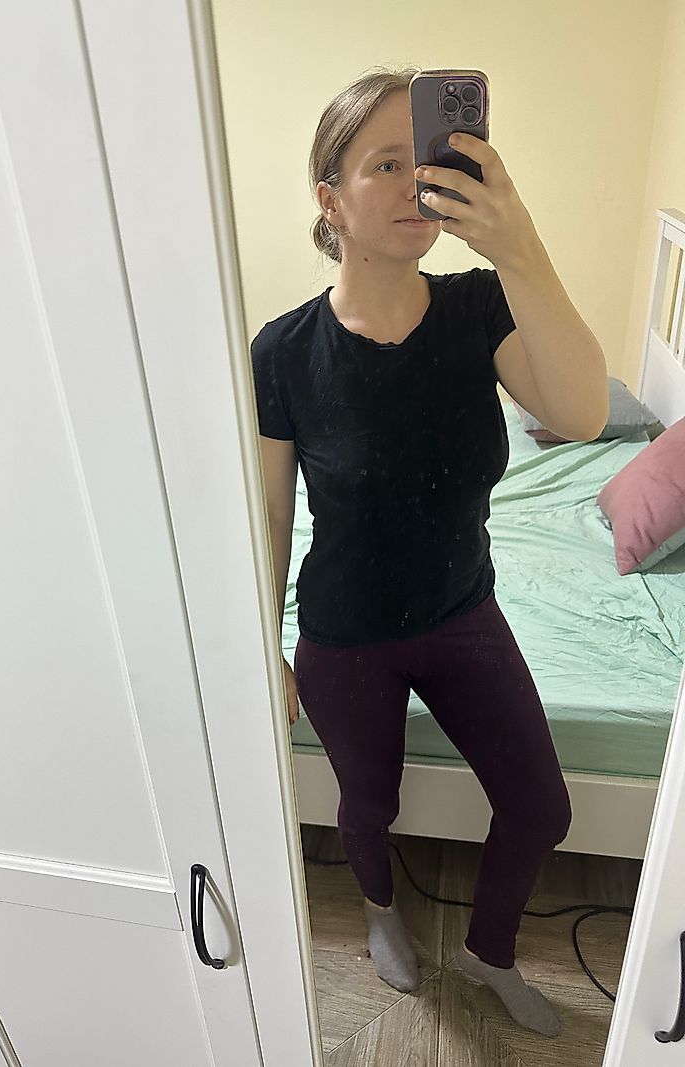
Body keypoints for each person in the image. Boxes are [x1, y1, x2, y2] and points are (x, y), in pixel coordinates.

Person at [251, 67, 592, 1039]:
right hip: (345, 631)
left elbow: (577, 412)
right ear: (330, 200)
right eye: (385, 164)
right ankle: (378, 911)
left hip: (461, 610)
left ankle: (488, 951)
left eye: (428, 159)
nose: (416, 184)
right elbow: (269, 514)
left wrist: (518, 243)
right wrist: (263, 646)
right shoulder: (282, 351)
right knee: (368, 803)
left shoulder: (481, 307)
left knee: (540, 806)